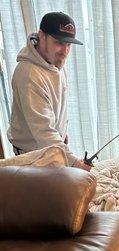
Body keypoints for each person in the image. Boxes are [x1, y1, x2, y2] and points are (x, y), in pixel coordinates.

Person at [7, 11, 91, 171]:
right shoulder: (29, 75)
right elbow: (44, 132)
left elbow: (54, 103)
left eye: (69, 44)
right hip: (33, 157)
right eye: (59, 42)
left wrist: (61, 133)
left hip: (50, 147)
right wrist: (74, 162)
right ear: (41, 36)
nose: (65, 51)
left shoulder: (54, 61)